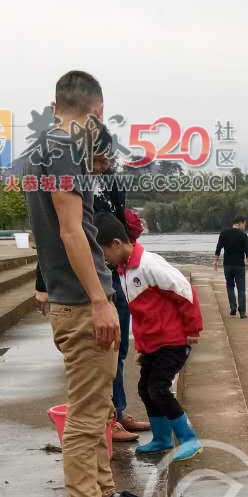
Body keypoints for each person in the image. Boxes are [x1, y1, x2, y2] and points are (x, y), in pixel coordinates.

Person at [21, 70, 139, 497]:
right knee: (89, 413)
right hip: (81, 300)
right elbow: (72, 230)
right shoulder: (67, 148)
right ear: (97, 110)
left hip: (71, 296)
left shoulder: (42, 149)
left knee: (97, 406)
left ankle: (104, 492)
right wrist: (99, 299)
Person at [96, 214, 203, 462]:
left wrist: (192, 329)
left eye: (104, 253)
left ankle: (189, 439)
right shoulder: (124, 270)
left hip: (173, 340)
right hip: (153, 343)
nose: (105, 260)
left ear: (116, 244)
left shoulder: (148, 264)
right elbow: (142, 316)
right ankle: (162, 438)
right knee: (145, 388)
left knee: (159, 388)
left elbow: (184, 290)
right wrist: (142, 347)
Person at [93, 130, 149, 441]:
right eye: (101, 157)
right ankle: (106, 419)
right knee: (101, 349)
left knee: (120, 346)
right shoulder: (71, 179)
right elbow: (58, 231)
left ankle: (119, 410)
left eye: (109, 157)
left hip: (115, 270)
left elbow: (120, 221)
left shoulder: (112, 179)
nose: (105, 163)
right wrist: (43, 281)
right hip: (90, 271)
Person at [213, 215, 248, 318]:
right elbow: (247, 253)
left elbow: (218, 247)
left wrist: (215, 261)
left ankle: (233, 308)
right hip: (239, 265)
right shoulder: (243, 235)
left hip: (227, 265)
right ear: (240, 223)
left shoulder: (224, 233)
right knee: (241, 289)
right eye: (244, 224)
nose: (244, 227)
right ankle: (242, 312)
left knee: (230, 286)